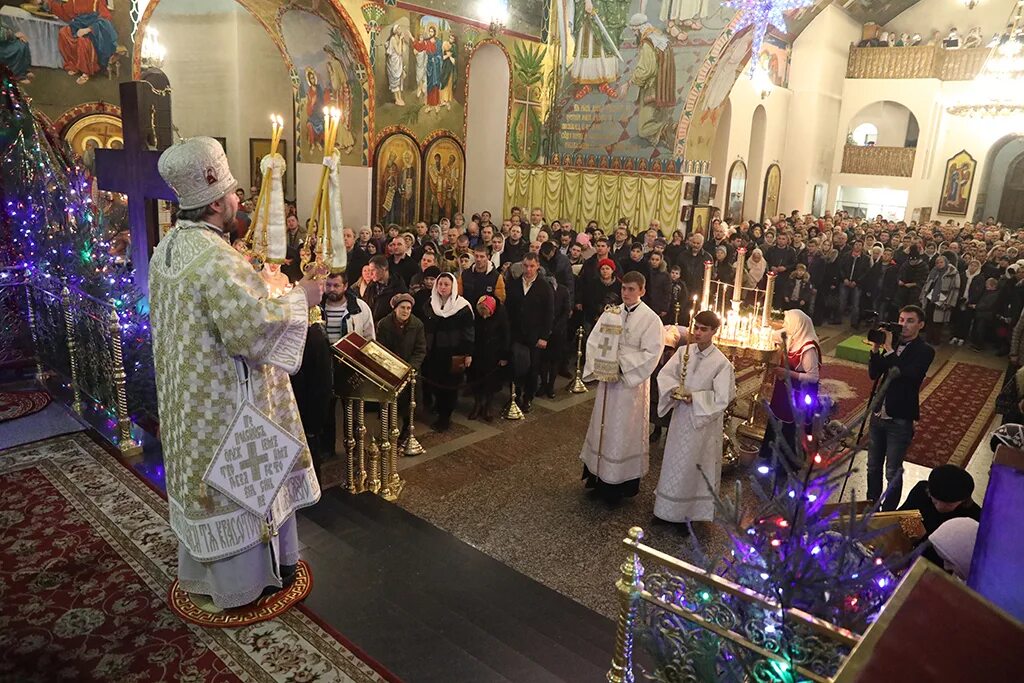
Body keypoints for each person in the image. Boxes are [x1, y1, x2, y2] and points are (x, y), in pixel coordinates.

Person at [150, 137, 321, 611]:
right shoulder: (216, 259)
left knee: (210, 484)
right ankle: (248, 582)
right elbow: (253, 330)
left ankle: (215, 575)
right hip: (226, 406)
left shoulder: (168, 252)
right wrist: (301, 297)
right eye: (231, 195)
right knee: (241, 488)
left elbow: (216, 316)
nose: (237, 201)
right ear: (215, 202)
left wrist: (263, 287)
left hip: (189, 406)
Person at [579, 271, 664, 502]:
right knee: (603, 427)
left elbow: (652, 353)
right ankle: (597, 478)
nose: (626, 293)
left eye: (631, 289)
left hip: (630, 386)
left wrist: (622, 366)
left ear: (642, 291)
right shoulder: (611, 314)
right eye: (624, 289)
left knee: (622, 431)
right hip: (608, 383)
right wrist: (602, 365)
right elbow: (594, 341)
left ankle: (619, 487)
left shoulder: (651, 319)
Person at [653, 311, 736, 526]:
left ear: (714, 332)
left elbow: (722, 398)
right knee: (673, 461)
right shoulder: (683, 352)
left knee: (692, 466)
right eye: (696, 327)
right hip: (681, 418)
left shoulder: (721, 363)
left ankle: (685, 516)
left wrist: (695, 397)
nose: (698, 332)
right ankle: (664, 510)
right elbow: (666, 375)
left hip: (702, 425)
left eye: (703, 329)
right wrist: (673, 389)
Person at [867, 305, 936, 511]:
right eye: (901, 319)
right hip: (879, 413)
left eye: (910, 321)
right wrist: (876, 349)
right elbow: (873, 374)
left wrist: (888, 350)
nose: (903, 325)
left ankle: (888, 512)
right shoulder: (893, 344)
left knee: (892, 470)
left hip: (900, 417)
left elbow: (906, 374)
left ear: (920, 325)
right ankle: (870, 505)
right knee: (872, 467)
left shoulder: (924, 351)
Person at [757, 310, 821, 476]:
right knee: (776, 420)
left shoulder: (808, 348)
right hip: (782, 392)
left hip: (796, 394)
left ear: (797, 325)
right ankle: (770, 455)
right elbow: (772, 334)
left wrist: (787, 373)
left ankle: (786, 464)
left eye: (788, 322)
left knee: (789, 427)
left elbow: (813, 377)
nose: (785, 325)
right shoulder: (792, 336)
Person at [421, 273, 474, 431]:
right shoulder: (430, 304)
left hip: (453, 353)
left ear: (453, 287)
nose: (443, 287)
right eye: (440, 284)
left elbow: (468, 332)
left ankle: (445, 417)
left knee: (449, 386)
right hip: (433, 352)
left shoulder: (462, 307)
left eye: (446, 284)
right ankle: (438, 407)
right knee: (435, 383)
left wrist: (468, 353)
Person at [375, 293, 427, 444]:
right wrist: (390, 367)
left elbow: (420, 349)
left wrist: (411, 368)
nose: (405, 311)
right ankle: (388, 429)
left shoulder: (417, 325)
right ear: (395, 309)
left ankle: (406, 429)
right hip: (390, 370)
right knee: (389, 402)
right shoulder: (384, 324)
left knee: (408, 403)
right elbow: (381, 348)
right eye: (402, 308)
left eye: (409, 308)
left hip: (410, 371)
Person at [505, 253, 554, 412]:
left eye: (532, 266)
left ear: (537, 266)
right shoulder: (513, 284)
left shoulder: (544, 287)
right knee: (516, 366)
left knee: (532, 368)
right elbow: (508, 309)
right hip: (517, 333)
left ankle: (528, 398)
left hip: (535, 335)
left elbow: (549, 313)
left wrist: (544, 337)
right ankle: (515, 395)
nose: (528, 269)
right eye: (525, 266)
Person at [469, 295, 510, 421]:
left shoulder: (501, 315)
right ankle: (477, 404)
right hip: (477, 353)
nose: (484, 317)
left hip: (493, 354)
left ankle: (488, 406)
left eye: (486, 314)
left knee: (490, 382)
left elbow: (506, 335)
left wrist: (504, 356)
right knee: (476, 380)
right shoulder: (476, 315)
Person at [921, 254, 961, 345]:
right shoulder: (934, 271)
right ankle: (928, 338)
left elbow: (955, 289)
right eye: (937, 262)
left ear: (946, 262)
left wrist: (949, 302)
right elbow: (928, 283)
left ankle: (936, 340)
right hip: (931, 297)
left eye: (941, 262)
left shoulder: (953, 273)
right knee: (929, 319)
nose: (939, 264)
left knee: (938, 322)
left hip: (943, 300)